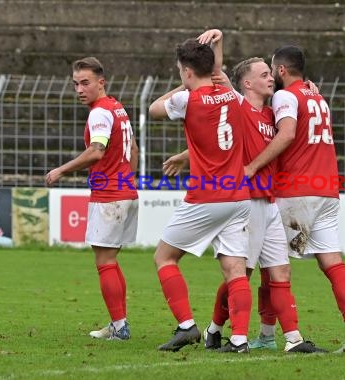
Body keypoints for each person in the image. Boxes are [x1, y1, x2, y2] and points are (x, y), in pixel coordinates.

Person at [164, 29, 327, 354]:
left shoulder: (273, 113)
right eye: (264, 74)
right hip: (246, 202)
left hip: (268, 203)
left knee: (280, 271)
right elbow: (214, 78)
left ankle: (293, 340)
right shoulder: (237, 105)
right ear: (246, 83)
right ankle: (217, 330)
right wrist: (218, 44)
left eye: (271, 73)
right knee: (241, 274)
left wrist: (307, 88)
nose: (271, 78)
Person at [244, 46, 345, 354]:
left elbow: (286, 135)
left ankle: (267, 334)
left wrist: (253, 165)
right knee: (333, 264)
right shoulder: (318, 98)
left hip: (296, 191)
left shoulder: (286, 97)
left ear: (282, 70)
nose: (271, 76)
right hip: (326, 190)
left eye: (272, 70)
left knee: (272, 267)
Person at [148, 37, 252, 353]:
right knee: (236, 270)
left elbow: (153, 109)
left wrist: (185, 88)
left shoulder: (187, 100)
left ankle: (186, 326)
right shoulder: (234, 97)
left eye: (182, 71)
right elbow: (215, 76)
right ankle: (239, 340)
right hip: (239, 198)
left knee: (164, 258)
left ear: (188, 72)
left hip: (207, 197)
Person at [45, 57, 139, 341]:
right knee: (110, 259)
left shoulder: (99, 113)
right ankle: (118, 323)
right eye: (75, 84)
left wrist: (61, 169)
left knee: (105, 261)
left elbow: (97, 151)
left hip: (109, 195)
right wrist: (128, 179)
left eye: (85, 83)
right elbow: (133, 148)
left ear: (101, 82)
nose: (79, 89)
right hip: (125, 191)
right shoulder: (117, 108)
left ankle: (120, 327)